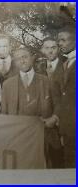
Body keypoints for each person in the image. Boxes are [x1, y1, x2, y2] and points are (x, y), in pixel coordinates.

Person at [1, 47, 59, 124]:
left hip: (42, 130)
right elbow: (4, 114)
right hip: (18, 132)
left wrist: (54, 118)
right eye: (18, 59)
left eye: (25, 57)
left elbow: (58, 104)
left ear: (32, 58)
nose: (22, 61)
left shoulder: (47, 81)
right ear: (15, 62)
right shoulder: (7, 85)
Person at [40, 37, 66, 168]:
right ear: (42, 50)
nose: (50, 51)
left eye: (53, 48)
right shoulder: (37, 67)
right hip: (42, 122)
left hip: (61, 120)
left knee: (59, 158)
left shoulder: (67, 66)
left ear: (58, 49)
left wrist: (56, 117)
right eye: (47, 48)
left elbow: (67, 97)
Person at [57, 26, 76, 168]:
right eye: (59, 40)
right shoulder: (66, 63)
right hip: (68, 128)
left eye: (64, 40)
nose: (60, 43)